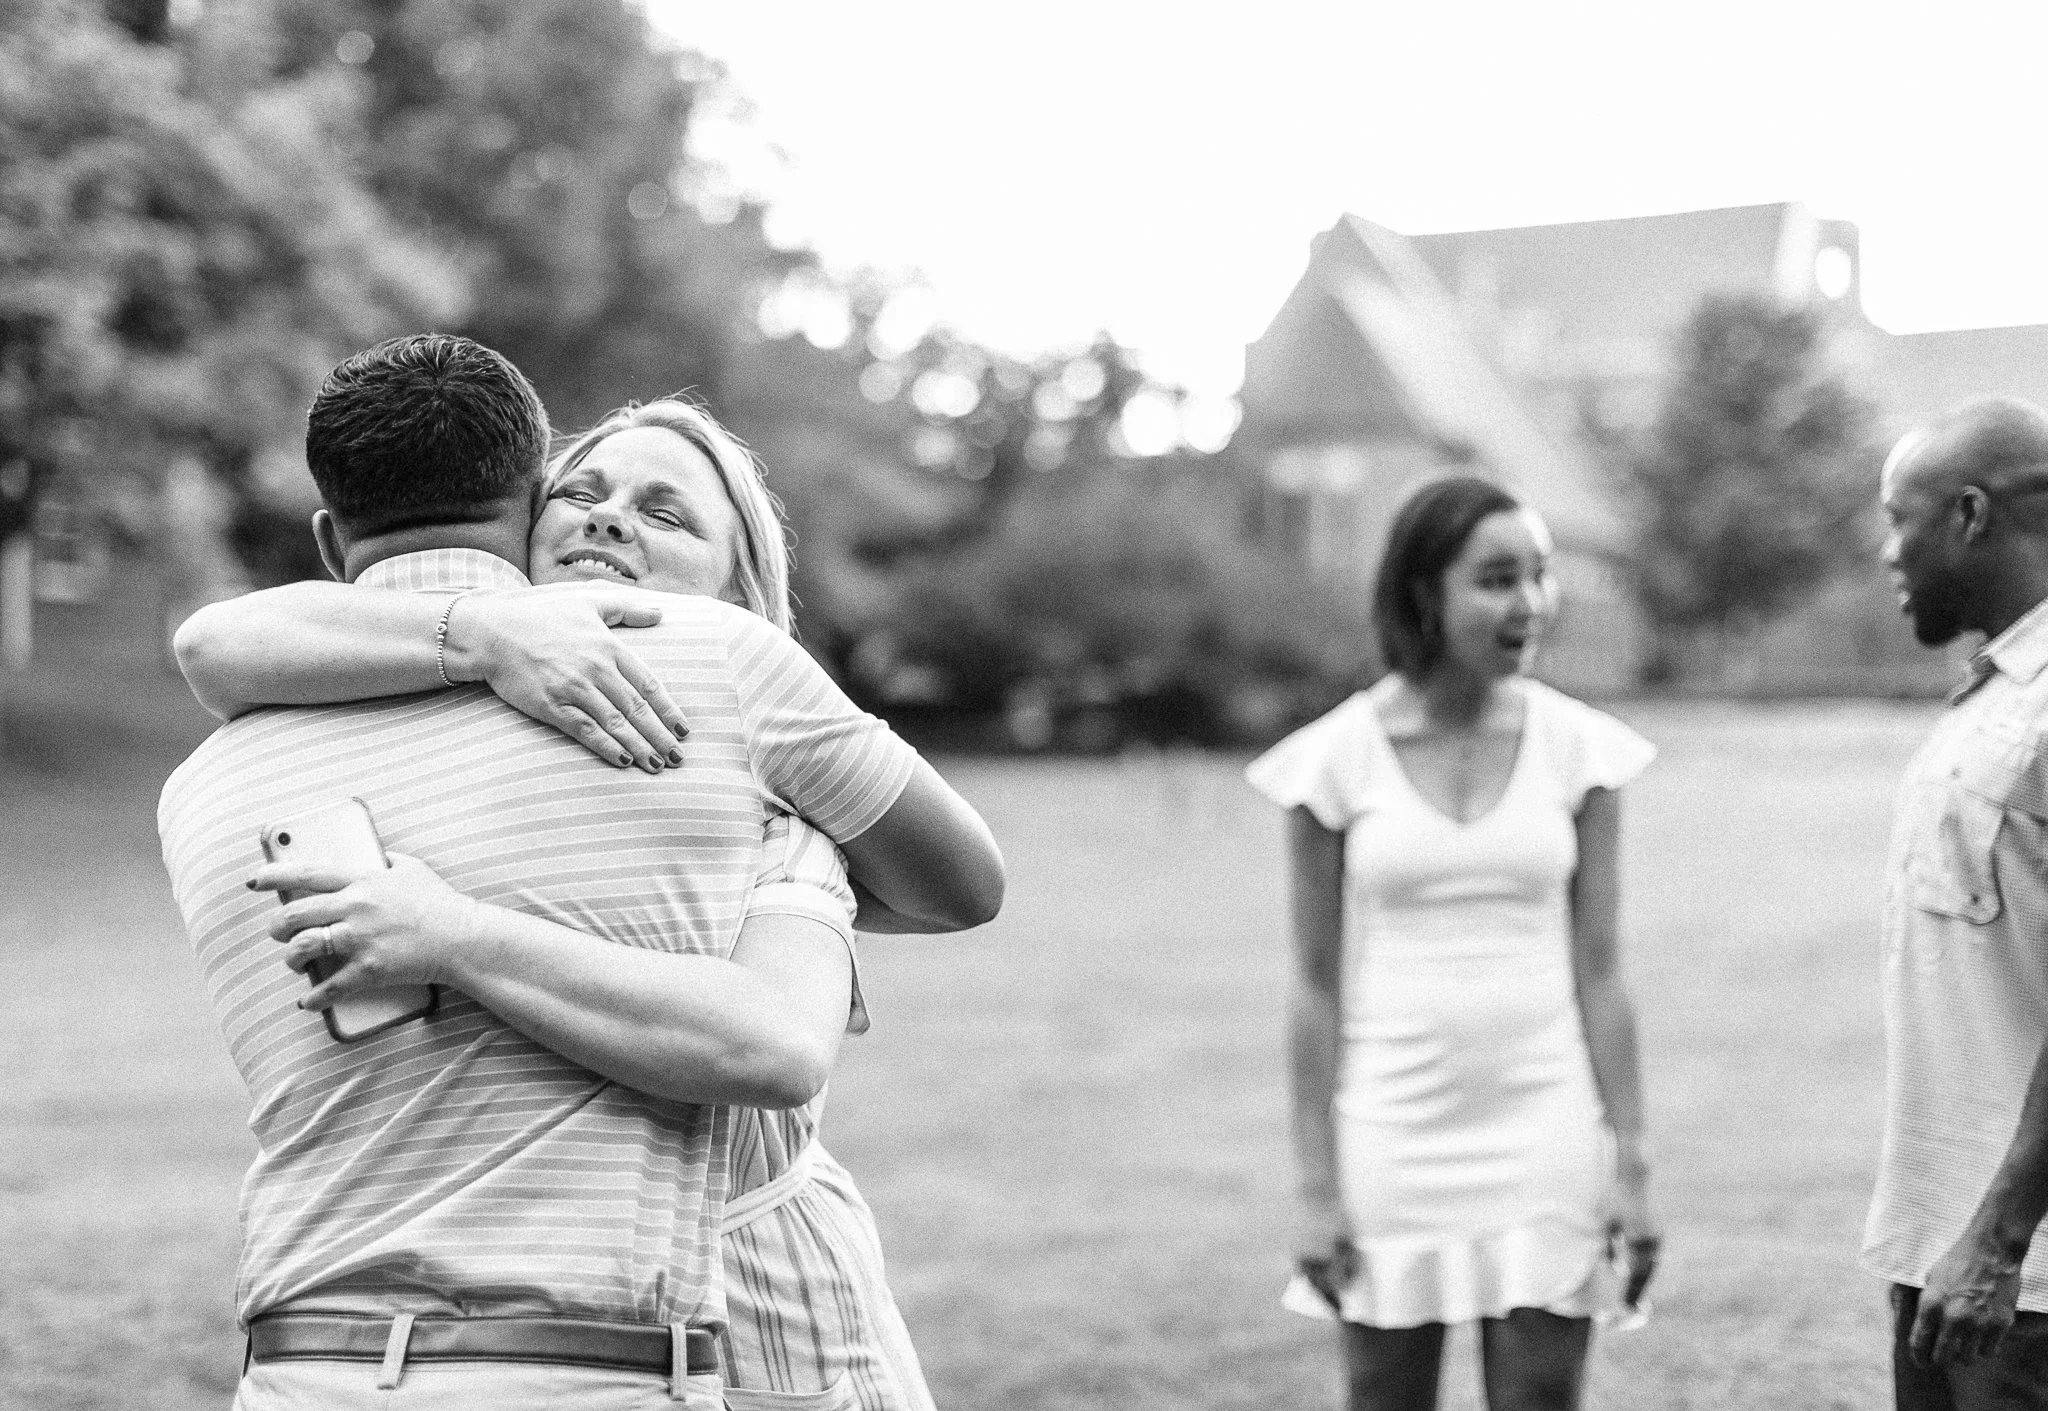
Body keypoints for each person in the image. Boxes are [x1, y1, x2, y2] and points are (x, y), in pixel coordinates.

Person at [159, 334, 1000, 1410]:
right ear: (521, 515)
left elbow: (934, 910)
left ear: (740, 589)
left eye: (665, 512)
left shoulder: (749, 730)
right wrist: (484, 632)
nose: (609, 518)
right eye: (585, 490)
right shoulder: (444, 655)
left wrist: (451, 932)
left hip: (775, 1315)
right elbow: (211, 639)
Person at [1245, 476, 1659, 1411]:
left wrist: (1631, 1166)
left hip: (1546, 1123)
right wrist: (1316, 1186)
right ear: (1424, 591)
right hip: (1392, 1132)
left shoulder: (1580, 748)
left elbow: (1602, 970)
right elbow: (1313, 985)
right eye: (1500, 578)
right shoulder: (1335, 757)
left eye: (1542, 576)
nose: (1532, 604)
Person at [1867, 395, 2048, 1410]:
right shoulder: (1992, 688)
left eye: (1898, 517)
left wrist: (1996, 1237)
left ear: (1970, 516)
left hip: (2016, 1282)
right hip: (1941, 1252)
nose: (1886, 550)